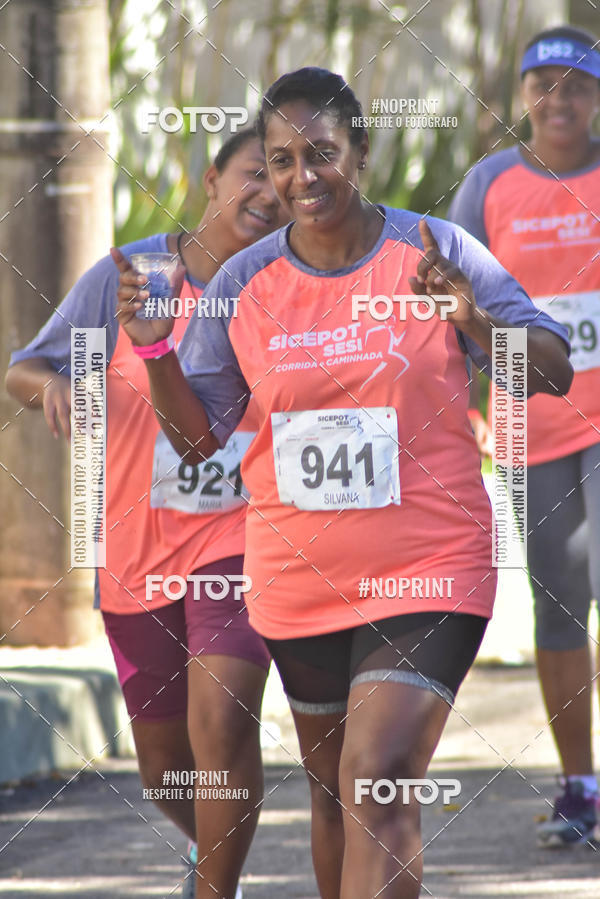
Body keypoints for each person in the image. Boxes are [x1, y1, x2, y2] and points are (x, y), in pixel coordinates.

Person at [114, 68, 572, 897]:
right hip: (299, 583)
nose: (301, 177)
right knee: (333, 799)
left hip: (430, 567)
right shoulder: (244, 283)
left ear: (360, 151)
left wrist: (473, 318)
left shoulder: (433, 251)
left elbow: (553, 370)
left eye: (321, 152)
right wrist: (154, 351)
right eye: (282, 160)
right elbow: (198, 441)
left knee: (378, 780)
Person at [6, 128, 288, 899]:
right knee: (165, 770)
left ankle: (216, 888)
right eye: (253, 173)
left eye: (282, 177)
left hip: (240, 537)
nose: (269, 192)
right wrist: (57, 388)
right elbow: (26, 367)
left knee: (223, 725)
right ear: (211, 179)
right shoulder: (133, 274)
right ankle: (216, 852)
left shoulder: (285, 278)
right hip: (132, 548)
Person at [449, 26, 600, 848]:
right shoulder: (491, 183)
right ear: (524, 96)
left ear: (597, 97)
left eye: (576, 85)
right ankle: (581, 787)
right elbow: (454, 295)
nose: (560, 100)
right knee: (559, 605)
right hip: (529, 424)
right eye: (544, 84)